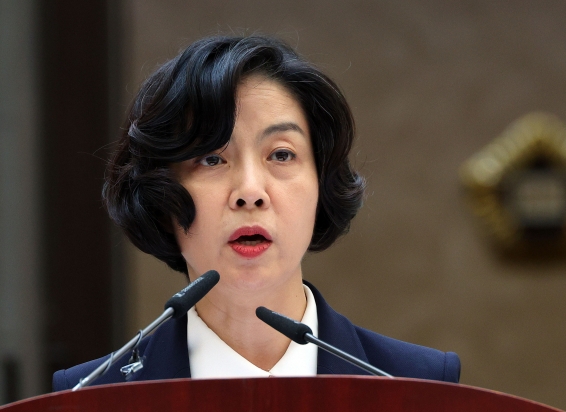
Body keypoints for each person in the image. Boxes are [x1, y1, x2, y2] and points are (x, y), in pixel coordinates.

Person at [52, 35, 460, 390]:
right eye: (212, 159)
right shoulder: (92, 395)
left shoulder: (415, 385)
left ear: (322, 186)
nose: (250, 192)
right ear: (160, 199)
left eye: (281, 154)